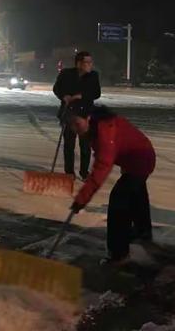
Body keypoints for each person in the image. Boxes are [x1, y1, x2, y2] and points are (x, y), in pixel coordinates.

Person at [68, 101, 155, 264]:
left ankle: (118, 252)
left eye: (76, 123)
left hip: (141, 159)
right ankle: (143, 232)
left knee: (118, 202)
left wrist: (82, 199)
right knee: (136, 195)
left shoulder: (105, 130)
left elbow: (102, 167)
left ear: (87, 117)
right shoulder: (97, 126)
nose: (74, 128)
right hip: (138, 157)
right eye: (70, 124)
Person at [53, 51, 101, 179]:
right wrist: (65, 97)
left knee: (85, 146)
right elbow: (56, 88)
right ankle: (69, 172)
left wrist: (82, 96)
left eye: (91, 62)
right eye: (87, 62)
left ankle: (84, 172)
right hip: (69, 113)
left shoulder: (93, 76)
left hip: (85, 115)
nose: (90, 65)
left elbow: (96, 93)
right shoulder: (66, 74)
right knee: (69, 145)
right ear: (79, 63)